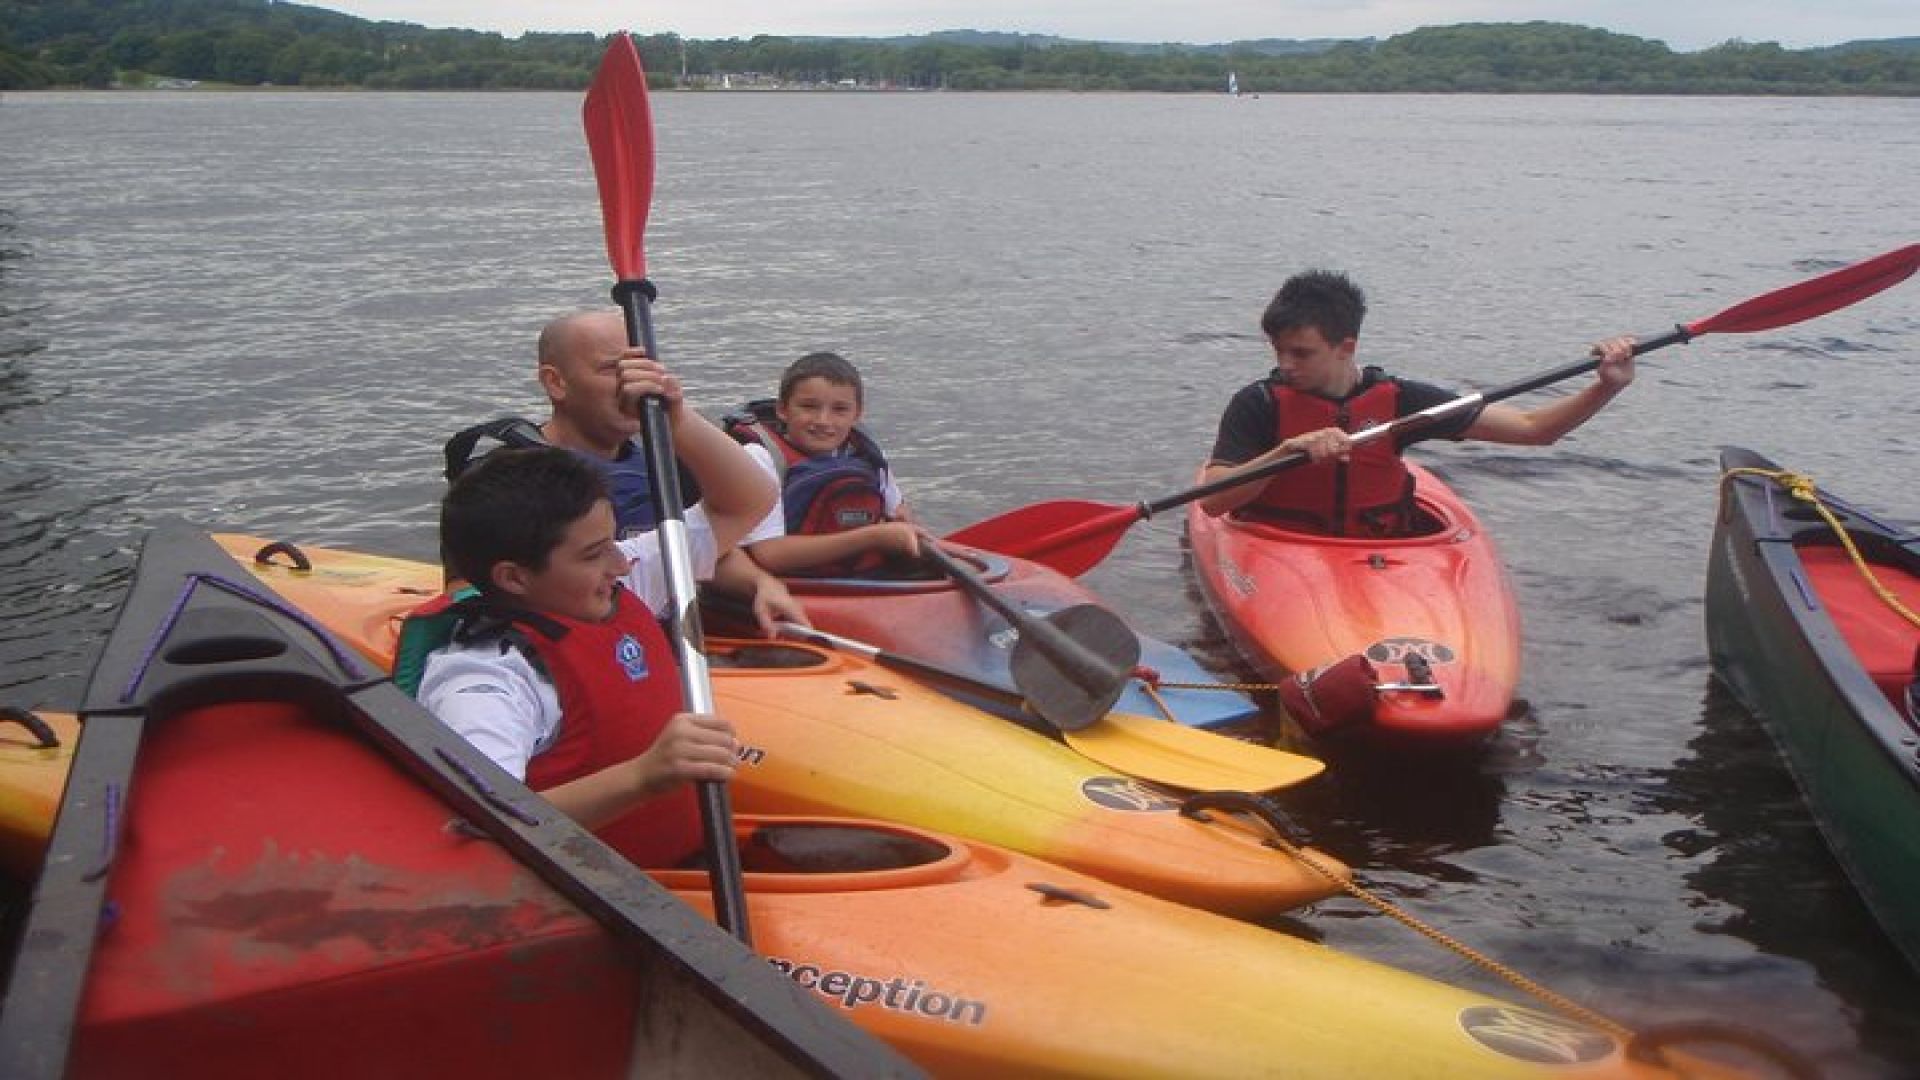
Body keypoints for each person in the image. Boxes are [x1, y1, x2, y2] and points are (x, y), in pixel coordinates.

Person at [404, 351, 777, 868]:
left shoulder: (612, 589)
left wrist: (679, 422)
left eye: (611, 543)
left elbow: (746, 501)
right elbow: (474, 824)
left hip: (686, 860)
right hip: (606, 899)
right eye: (592, 553)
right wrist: (644, 776)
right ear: (514, 576)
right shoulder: (487, 679)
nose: (621, 565)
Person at [443, 309, 805, 635]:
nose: (633, 384)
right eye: (611, 370)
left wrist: (759, 582)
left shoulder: (663, 466)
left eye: (640, 368)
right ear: (556, 382)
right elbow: (467, 595)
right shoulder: (510, 481)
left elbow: (710, 539)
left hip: (651, 639)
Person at [1198, 270, 1637, 536]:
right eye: (1279, 351)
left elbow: (1534, 429)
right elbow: (1214, 502)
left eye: (1301, 353)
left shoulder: (1404, 400)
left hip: (1381, 554)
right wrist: (1287, 451)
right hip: (1279, 545)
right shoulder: (1257, 403)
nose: (1285, 364)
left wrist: (1606, 387)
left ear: (1345, 346)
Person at [723, 351, 921, 577]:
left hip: (866, 581)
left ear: (857, 415)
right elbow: (769, 554)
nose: (823, 421)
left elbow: (899, 514)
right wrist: (873, 537)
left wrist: (906, 525)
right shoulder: (760, 458)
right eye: (809, 407)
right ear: (783, 410)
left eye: (839, 410)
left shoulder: (868, 455)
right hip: (789, 585)